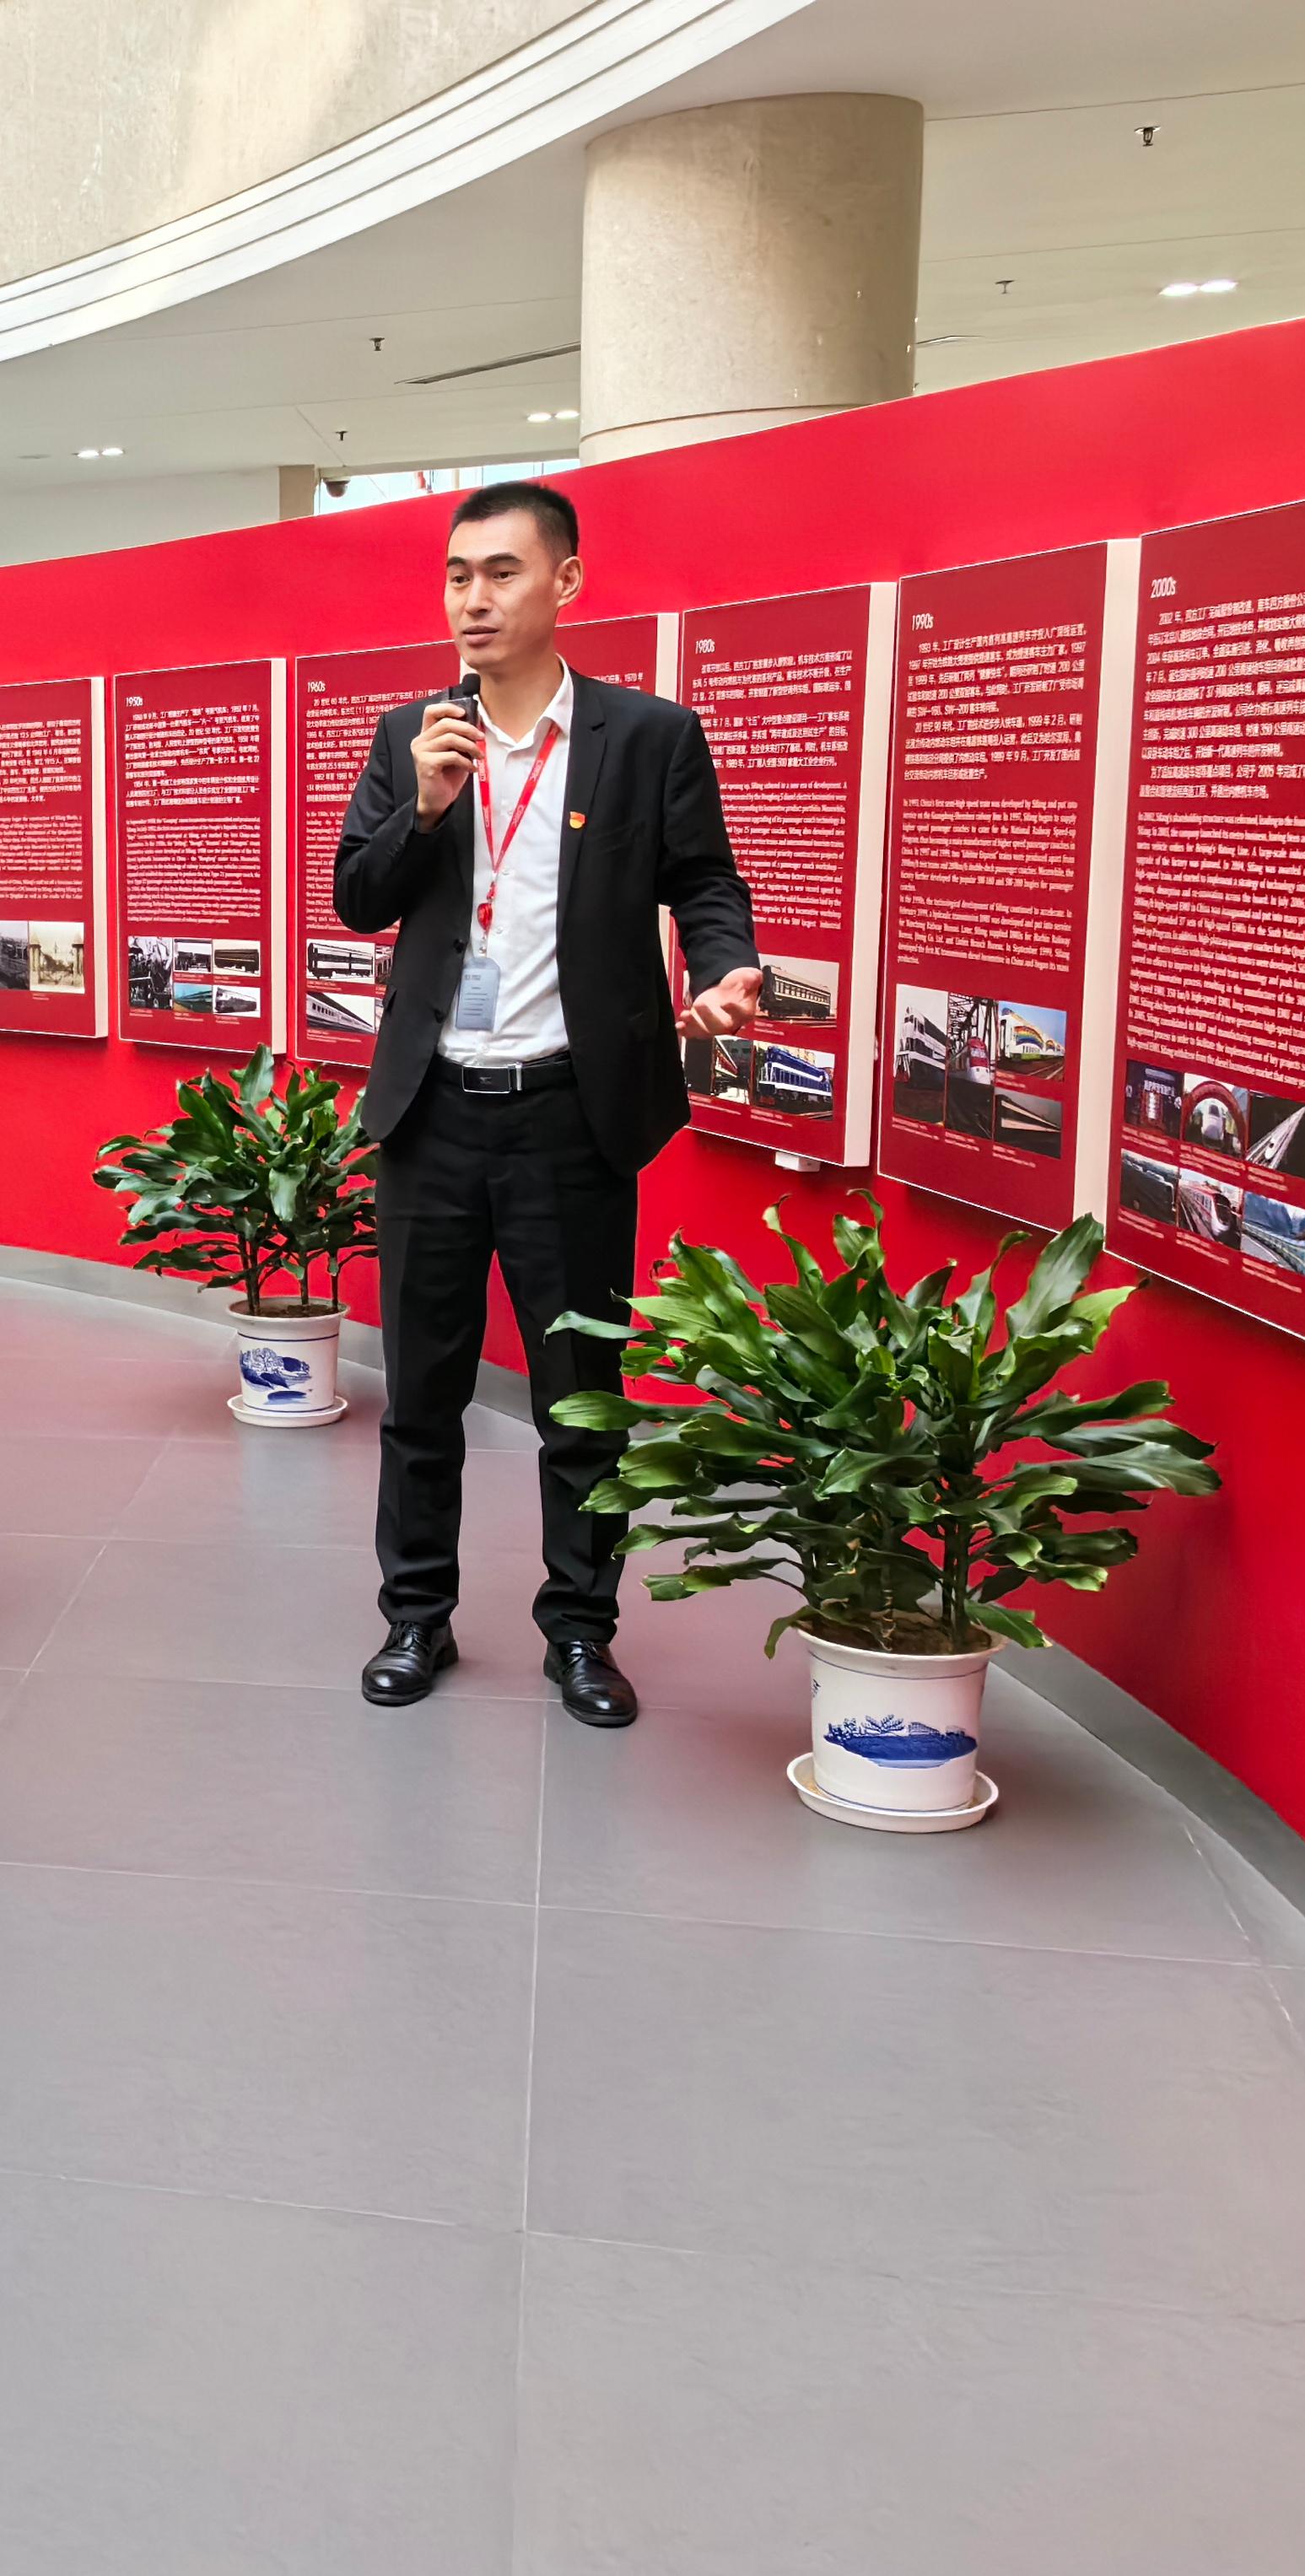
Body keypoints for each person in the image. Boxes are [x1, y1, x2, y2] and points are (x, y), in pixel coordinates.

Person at [332, 479, 763, 1730]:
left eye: (502, 572)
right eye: (456, 575)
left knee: (581, 1397)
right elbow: (359, 897)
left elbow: (705, 880)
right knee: (422, 1395)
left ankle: (580, 1630)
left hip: (572, 1115)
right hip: (431, 1114)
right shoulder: (410, 735)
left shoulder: (647, 737)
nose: (473, 598)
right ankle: (415, 1616)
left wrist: (727, 965)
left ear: (566, 582)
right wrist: (422, 806)